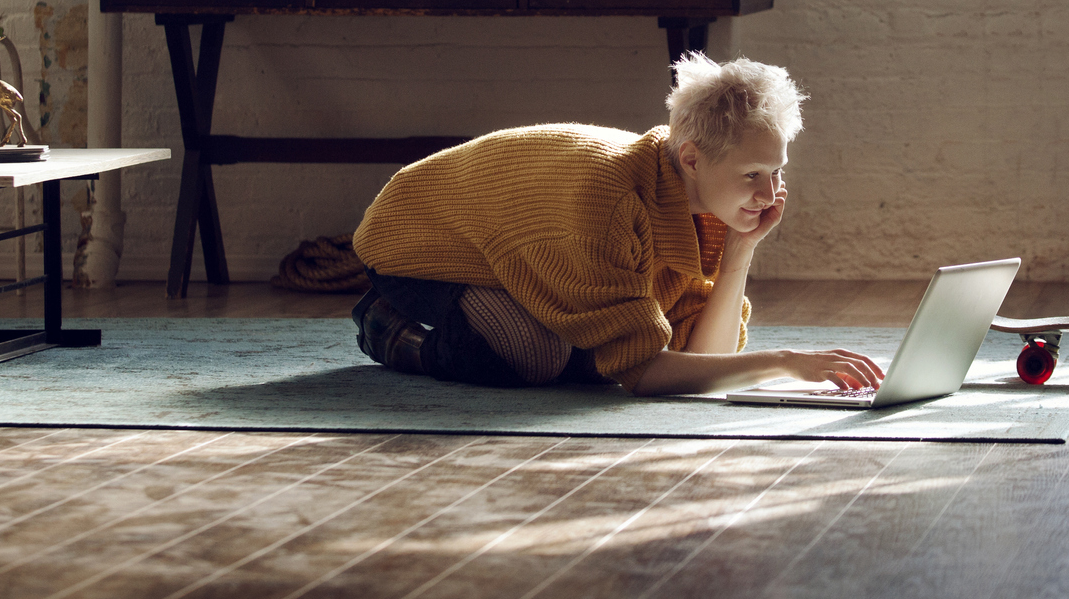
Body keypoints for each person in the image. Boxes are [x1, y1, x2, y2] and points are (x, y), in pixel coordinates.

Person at [349, 53, 884, 397]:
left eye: (777, 172)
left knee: (593, 355)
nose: (770, 195)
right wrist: (788, 363)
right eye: (753, 175)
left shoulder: (711, 201)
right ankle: (387, 327)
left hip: (527, 248)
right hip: (418, 243)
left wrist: (742, 250)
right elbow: (645, 372)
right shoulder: (609, 203)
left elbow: (702, 355)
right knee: (537, 355)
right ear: (693, 159)